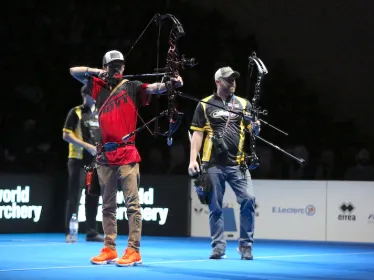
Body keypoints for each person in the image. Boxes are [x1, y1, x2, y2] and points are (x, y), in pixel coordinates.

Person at [69, 50, 183, 267]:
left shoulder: (133, 86)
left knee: (132, 203)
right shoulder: (97, 86)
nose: (117, 69)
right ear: (104, 67)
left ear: (124, 67)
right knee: (108, 206)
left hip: (126, 152)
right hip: (104, 155)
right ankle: (109, 248)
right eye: (112, 66)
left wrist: (172, 83)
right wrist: (97, 73)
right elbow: (73, 71)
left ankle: (133, 249)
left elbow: (155, 88)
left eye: (119, 65)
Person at [188, 66, 259, 260]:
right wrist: (193, 159)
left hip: (238, 163)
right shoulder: (205, 104)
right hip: (212, 164)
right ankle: (218, 246)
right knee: (215, 207)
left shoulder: (244, 104)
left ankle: (245, 245)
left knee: (248, 199)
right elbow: (197, 133)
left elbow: (250, 131)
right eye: (228, 79)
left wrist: (255, 129)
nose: (233, 82)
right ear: (218, 82)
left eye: (234, 79)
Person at [62, 85, 104, 243]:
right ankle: (69, 232)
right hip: (77, 160)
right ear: (84, 95)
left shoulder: (98, 113)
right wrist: (86, 146)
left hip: (93, 161)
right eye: (92, 95)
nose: (94, 98)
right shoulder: (75, 112)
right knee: (74, 196)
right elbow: (66, 135)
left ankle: (92, 232)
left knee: (92, 195)